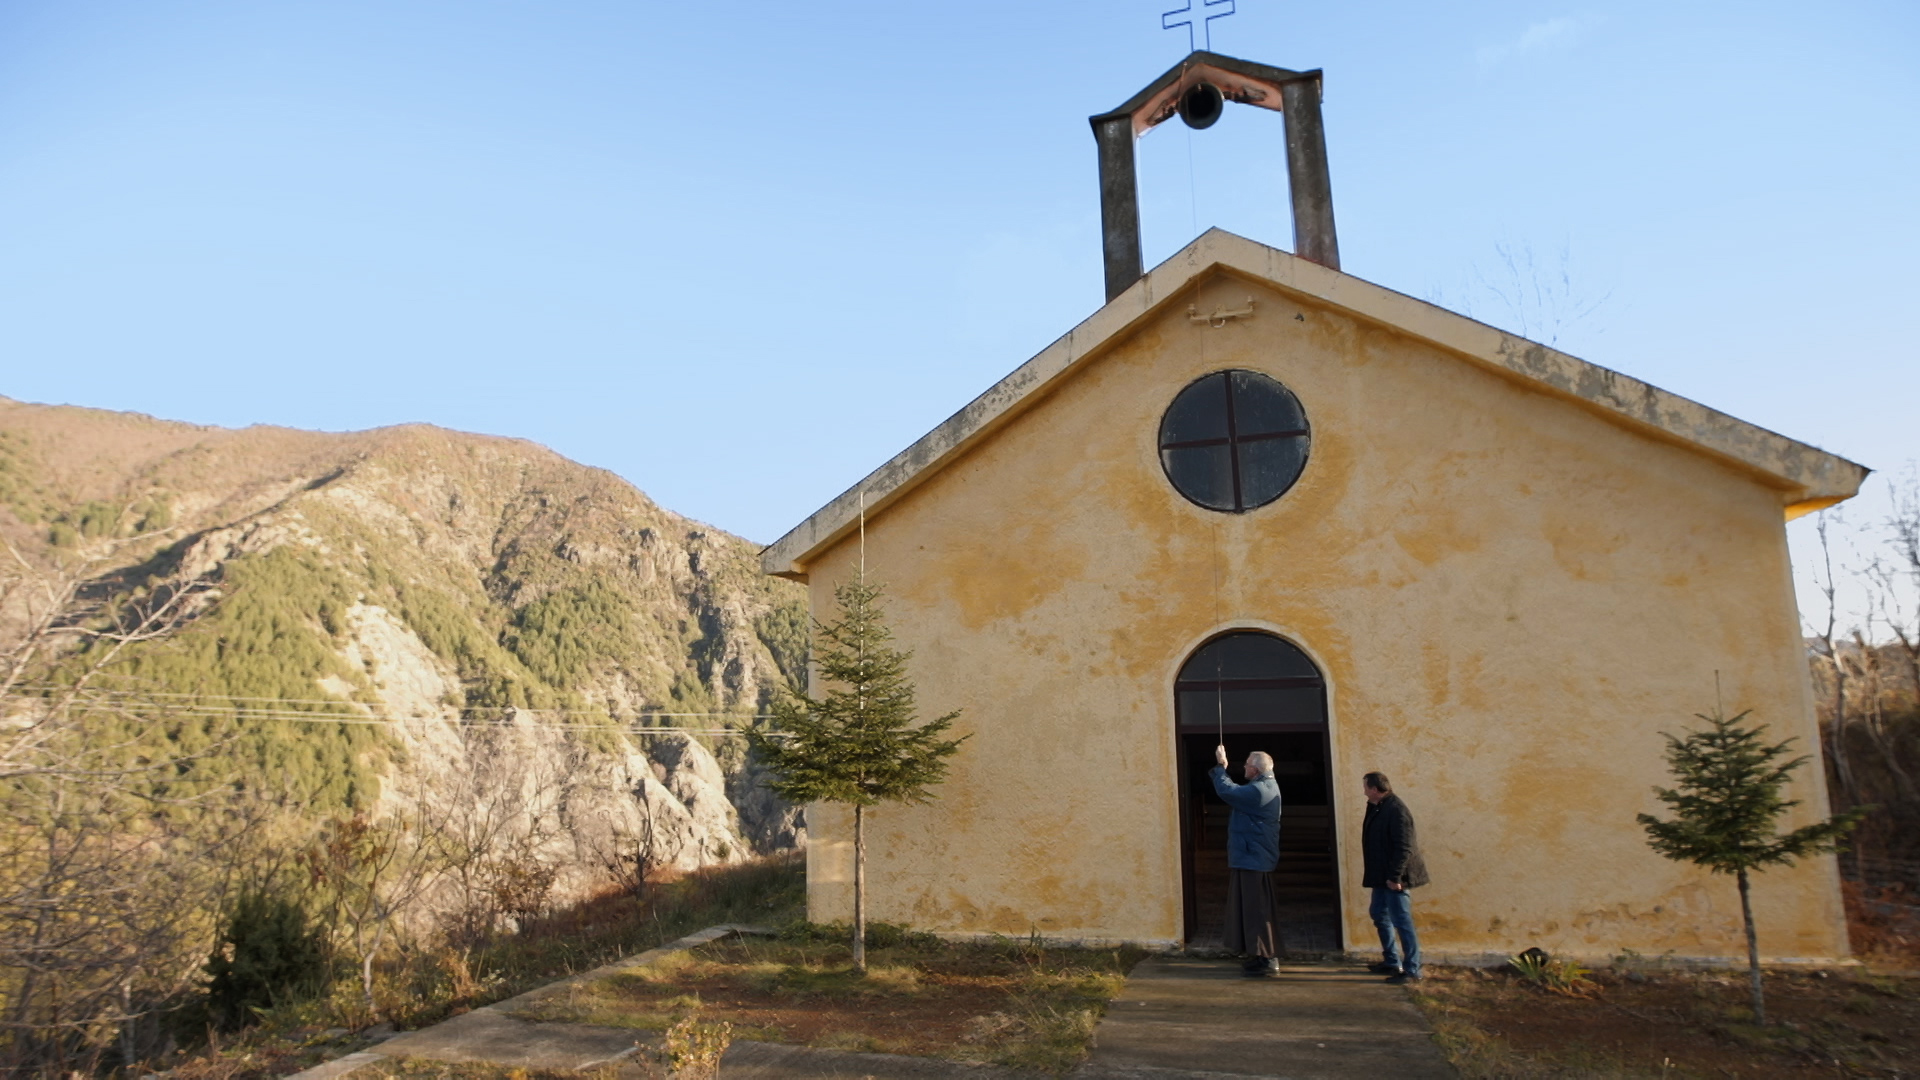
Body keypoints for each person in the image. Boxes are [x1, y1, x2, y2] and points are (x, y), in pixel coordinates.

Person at [1211, 745, 1282, 976]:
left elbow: (1228, 792)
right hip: (1251, 858)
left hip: (1254, 859)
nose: (1244, 767)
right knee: (1252, 910)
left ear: (1256, 769)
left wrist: (1222, 767)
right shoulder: (1262, 786)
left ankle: (1269, 960)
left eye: (1247, 765)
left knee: (1258, 911)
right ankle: (1260, 956)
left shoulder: (1261, 790)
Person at [1361, 771, 1429, 984]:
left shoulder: (1396, 810)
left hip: (1394, 878)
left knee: (1402, 920)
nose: (1363, 791)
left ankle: (1412, 969)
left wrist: (1395, 876)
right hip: (1382, 876)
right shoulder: (1379, 807)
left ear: (1374, 789)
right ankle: (1391, 961)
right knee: (1379, 914)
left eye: (1365, 787)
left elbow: (1404, 847)